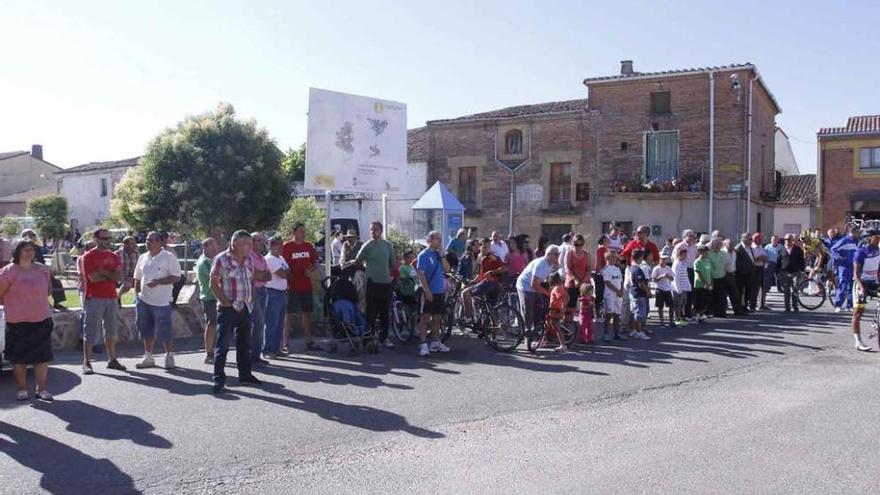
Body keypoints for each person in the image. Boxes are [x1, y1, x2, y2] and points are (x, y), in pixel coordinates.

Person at [0, 239, 55, 401]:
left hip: (41, 319)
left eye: (31, 249)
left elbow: (48, 291)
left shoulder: (43, 270)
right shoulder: (8, 272)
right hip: (17, 321)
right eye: (25, 250)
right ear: (17, 252)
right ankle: (22, 388)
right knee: (19, 358)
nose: (29, 252)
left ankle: (42, 389)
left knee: (42, 357)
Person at [209, 230, 262, 394]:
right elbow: (213, 283)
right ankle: (219, 379)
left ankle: (245, 375)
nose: (250, 247)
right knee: (223, 345)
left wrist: (251, 299)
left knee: (244, 343)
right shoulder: (221, 259)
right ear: (235, 244)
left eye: (251, 244)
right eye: (247, 244)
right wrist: (224, 302)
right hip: (227, 309)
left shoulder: (249, 259)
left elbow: (251, 280)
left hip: (245, 307)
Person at [133, 231, 182, 370]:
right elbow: (137, 277)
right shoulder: (143, 257)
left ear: (160, 242)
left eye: (151, 240)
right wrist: (137, 295)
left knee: (165, 329)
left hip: (162, 302)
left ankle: (169, 356)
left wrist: (159, 282)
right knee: (146, 329)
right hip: (143, 301)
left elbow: (176, 277)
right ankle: (148, 357)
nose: (148, 242)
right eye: (147, 240)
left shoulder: (169, 257)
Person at [80, 229, 126, 374]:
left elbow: (118, 277)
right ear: (96, 239)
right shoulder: (88, 256)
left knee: (111, 329)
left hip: (111, 296)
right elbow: (93, 277)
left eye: (108, 238)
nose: (107, 240)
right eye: (103, 238)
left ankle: (112, 359)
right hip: (94, 297)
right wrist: (110, 274)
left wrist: (104, 272)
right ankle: (87, 361)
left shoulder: (114, 256)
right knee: (91, 330)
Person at [349, 221, 396, 349]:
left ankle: (384, 338)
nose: (372, 232)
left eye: (375, 229)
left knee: (384, 312)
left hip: (385, 283)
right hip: (371, 283)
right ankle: (369, 337)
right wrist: (366, 269)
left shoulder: (387, 245)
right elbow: (358, 261)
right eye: (371, 230)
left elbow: (393, 263)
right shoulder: (367, 245)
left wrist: (389, 275)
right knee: (371, 312)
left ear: (381, 231)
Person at [282, 222, 322, 352]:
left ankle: (309, 342)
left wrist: (310, 270)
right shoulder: (287, 247)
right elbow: (282, 264)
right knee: (289, 315)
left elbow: (315, 261)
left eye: (304, 232)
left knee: (307, 314)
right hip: (292, 286)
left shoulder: (308, 246)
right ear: (294, 233)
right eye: (301, 232)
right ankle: (285, 343)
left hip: (306, 286)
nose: (303, 234)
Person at [416, 231, 451, 357]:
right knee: (425, 318)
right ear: (430, 240)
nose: (440, 241)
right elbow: (421, 274)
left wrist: (442, 255)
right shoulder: (423, 255)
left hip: (439, 291)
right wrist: (427, 291)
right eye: (437, 239)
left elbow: (447, 269)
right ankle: (423, 344)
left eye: (440, 239)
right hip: (428, 292)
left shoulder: (438, 254)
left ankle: (436, 342)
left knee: (437, 318)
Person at [516, 245, 561, 338]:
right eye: (556, 254)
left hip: (536, 285)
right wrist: (547, 293)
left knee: (539, 307)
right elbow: (533, 284)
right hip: (525, 286)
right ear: (548, 254)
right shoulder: (541, 264)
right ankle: (526, 335)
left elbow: (546, 278)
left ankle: (536, 331)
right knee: (528, 310)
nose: (558, 256)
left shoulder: (551, 263)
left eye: (559, 254)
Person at [20, 229, 67, 310]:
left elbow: (42, 261)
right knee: (39, 282)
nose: (32, 237)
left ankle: (57, 302)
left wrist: (47, 271)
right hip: (27, 271)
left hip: (40, 270)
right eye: (29, 235)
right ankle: (44, 302)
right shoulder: (20, 248)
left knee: (55, 281)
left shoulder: (37, 248)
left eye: (33, 235)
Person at [462, 238, 507, 322]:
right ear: (480, 247)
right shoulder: (481, 257)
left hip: (491, 284)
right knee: (489, 308)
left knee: (465, 293)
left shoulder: (492, 257)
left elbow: (504, 268)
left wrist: (492, 272)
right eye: (484, 247)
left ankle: (468, 318)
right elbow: (481, 273)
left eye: (488, 247)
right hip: (487, 284)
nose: (486, 249)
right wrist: (475, 280)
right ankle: (488, 328)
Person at [851, 228, 880, 352]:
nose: (879, 238)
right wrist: (862, 288)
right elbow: (856, 274)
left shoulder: (878, 250)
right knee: (858, 313)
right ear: (869, 238)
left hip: (874, 282)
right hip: (861, 283)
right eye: (876, 237)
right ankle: (858, 342)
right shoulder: (860, 252)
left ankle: (877, 321)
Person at [263, 236, 290, 359]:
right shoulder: (269, 259)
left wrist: (286, 272)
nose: (281, 246)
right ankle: (267, 350)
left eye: (281, 244)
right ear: (272, 246)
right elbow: (284, 274)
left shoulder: (281, 258)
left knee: (279, 323)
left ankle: (276, 348)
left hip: (282, 292)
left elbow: (289, 273)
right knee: (271, 323)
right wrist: (285, 272)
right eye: (278, 244)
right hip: (272, 293)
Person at [248, 233, 272, 366]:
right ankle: (251, 356)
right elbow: (254, 274)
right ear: (252, 242)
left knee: (260, 324)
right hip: (254, 291)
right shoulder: (249, 256)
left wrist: (261, 275)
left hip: (263, 290)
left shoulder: (261, 257)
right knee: (256, 323)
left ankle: (257, 355)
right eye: (259, 240)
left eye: (263, 240)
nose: (262, 242)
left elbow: (268, 275)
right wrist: (261, 275)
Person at [196, 237, 219, 364]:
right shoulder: (204, 262)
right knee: (211, 324)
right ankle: (209, 353)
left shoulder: (214, 260)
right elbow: (215, 277)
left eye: (216, 245)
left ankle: (215, 350)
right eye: (212, 245)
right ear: (205, 247)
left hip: (217, 297)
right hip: (209, 298)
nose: (216, 248)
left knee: (217, 325)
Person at [831, 227, 860, 313]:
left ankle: (849, 305)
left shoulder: (856, 241)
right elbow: (833, 249)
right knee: (843, 285)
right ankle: (838, 305)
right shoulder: (844, 240)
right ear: (852, 232)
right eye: (857, 232)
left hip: (852, 266)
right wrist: (840, 258)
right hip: (844, 267)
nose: (858, 234)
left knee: (851, 286)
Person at [564, 233, 591, 323]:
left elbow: (589, 268)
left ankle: (584, 325)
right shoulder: (569, 253)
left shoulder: (587, 254)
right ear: (573, 244)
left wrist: (583, 280)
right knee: (570, 306)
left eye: (580, 244)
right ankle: (567, 325)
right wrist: (575, 279)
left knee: (586, 305)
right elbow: (567, 268)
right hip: (572, 283)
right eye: (576, 244)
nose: (578, 246)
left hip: (584, 282)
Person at [673, 230, 698, 319]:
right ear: (685, 237)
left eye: (693, 236)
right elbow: (674, 258)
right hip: (682, 268)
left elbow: (695, 257)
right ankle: (681, 315)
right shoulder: (680, 246)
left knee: (690, 291)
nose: (692, 238)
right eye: (690, 236)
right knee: (682, 292)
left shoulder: (695, 247)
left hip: (691, 269)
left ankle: (688, 313)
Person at [627, 249, 651, 340]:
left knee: (635, 312)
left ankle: (633, 330)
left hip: (634, 293)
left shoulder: (632, 268)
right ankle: (639, 331)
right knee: (639, 314)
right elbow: (641, 283)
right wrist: (647, 292)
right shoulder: (637, 269)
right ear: (640, 257)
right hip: (638, 294)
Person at [779, 234, 806, 313]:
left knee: (795, 290)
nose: (787, 241)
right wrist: (778, 272)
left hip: (795, 273)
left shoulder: (798, 249)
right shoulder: (782, 249)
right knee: (786, 291)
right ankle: (787, 307)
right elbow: (778, 261)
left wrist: (802, 271)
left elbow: (802, 261)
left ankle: (795, 307)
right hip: (785, 273)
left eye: (789, 239)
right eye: (786, 239)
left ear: (792, 240)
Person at [601, 250, 623, 341]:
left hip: (618, 295)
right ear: (607, 258)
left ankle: (616, 333)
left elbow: (621, 281)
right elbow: (608, 282)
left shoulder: (617, 269)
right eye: (613, 257)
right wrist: (617, 290)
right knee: (609, 314)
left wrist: (621, 290)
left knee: (617, 314)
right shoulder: (606, 269)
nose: (615, 259)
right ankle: (606, 334)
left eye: (615, 257)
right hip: (610, 295)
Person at [543, 273, 569, 352]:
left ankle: (563, 345)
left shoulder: (557, 288)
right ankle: (544, 340)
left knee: (557, 328)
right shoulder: (560, 287)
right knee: (547, 325)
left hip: (555, 310)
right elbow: (567, 297)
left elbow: (562, 298)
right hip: (554, 310)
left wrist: (562, 308)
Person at [735, 233, 758, 312]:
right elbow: (737, 262)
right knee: (740, 291)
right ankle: (740, 307)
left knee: (748, 291)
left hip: (749, 273)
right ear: (744, 239)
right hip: (741, 274)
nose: (751, 241)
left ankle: (745, 306)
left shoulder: (750, 248)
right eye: (749, 239)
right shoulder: (738, 248)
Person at [652, 255, 675, 327]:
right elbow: (654, 280)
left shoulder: (668, 268)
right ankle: (662, 322)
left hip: (667, 289)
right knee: (660, 306)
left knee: (671, 306)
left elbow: (672, 279)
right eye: (662, 259)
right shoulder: (656, 269)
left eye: (665, 259)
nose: (664, 261)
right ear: (659, 260)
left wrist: (668, 276)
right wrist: (661, 276)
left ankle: (671, 321)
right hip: (660, 289)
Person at [115, 236, 139, 305]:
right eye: (132, 244)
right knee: (127, 284)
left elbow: (138, 268)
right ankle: (117, 298)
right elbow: (116, 270)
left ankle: (137, 301)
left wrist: (132, 277)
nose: (134, 246)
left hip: (132, 277)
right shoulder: (117, 254)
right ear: (125, 245)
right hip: (119, 277)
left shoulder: (136, 254)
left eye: (134, 244)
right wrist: (123, 279)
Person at [708, 239, 728, 318]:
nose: (718, 246)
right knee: (712, 296)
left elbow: (725, 264)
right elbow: (708, 267)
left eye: (720, 245)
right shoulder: (709, 254)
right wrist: (710, 279)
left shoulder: (722, 253)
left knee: (722, 296)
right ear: (712, 245)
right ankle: (712, 312)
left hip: (722, 276)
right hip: (712, 277)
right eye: (716, 245)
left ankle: (721, 312)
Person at [671, 247, 691, 326]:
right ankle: (677, 319)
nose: (686, 256)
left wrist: (688, 286)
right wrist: (678, 288)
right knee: (678, 304)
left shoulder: (683, 263)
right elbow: (675, 277)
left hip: (684, 288)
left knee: (682, 304)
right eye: (685, 254)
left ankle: (681, 317)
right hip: (678, 288)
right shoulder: (677, 264)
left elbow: (685, 276)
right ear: (681, 254)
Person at [693, 245, 713, 321]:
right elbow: (699, 274)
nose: (706, 252)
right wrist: (705, 283)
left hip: (707, 285)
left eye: (707, 251)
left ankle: (701, 315)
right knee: (698, 302)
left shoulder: (708, 261)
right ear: (700, 252)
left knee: (704, 301)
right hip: (699, 285)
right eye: (704, 251)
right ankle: (694, 316)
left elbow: (709, 273)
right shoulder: (697, 262)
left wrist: (710, 283)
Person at [593, 235, 608, 317]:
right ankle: (597, 310)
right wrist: (599, 271)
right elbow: (598, 262)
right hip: (601, 273)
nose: (608, 241)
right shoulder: (601, 249)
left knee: (603, 292)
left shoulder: (605, 249)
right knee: (600, 292)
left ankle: (601, 310)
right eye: (606, 240)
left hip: (604, 273)